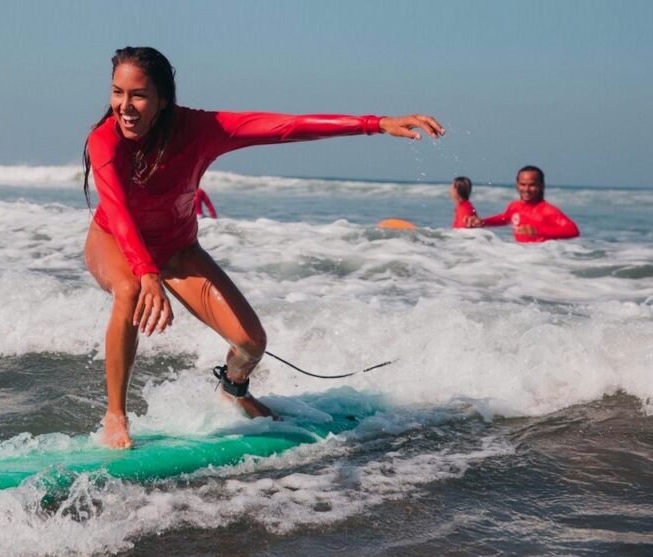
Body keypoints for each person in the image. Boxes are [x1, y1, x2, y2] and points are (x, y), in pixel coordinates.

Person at [82, 47, 444, 448]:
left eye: (138, 95)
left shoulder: (202, 129)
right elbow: (116, 209)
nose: (125, 106)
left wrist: (375, 124)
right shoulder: (105, 141)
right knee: (130, 291)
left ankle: (233, 390)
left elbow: (288, 127)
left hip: (177, 250)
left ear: (163, 99)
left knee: (252, 343)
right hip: (114, 241)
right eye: (118, 93)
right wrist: (146, 273)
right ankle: (115, 414)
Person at [466, 166, 579, 242]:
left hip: (542, 259)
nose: (526, 189)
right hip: (521, 260)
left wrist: (538, 231)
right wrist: (483, 222)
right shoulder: (515, 206)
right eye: (523, 184)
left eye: (532, 185)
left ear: (541, 185)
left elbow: (572, 230)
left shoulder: (547, 210)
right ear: (517, 184)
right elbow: (504, 218)